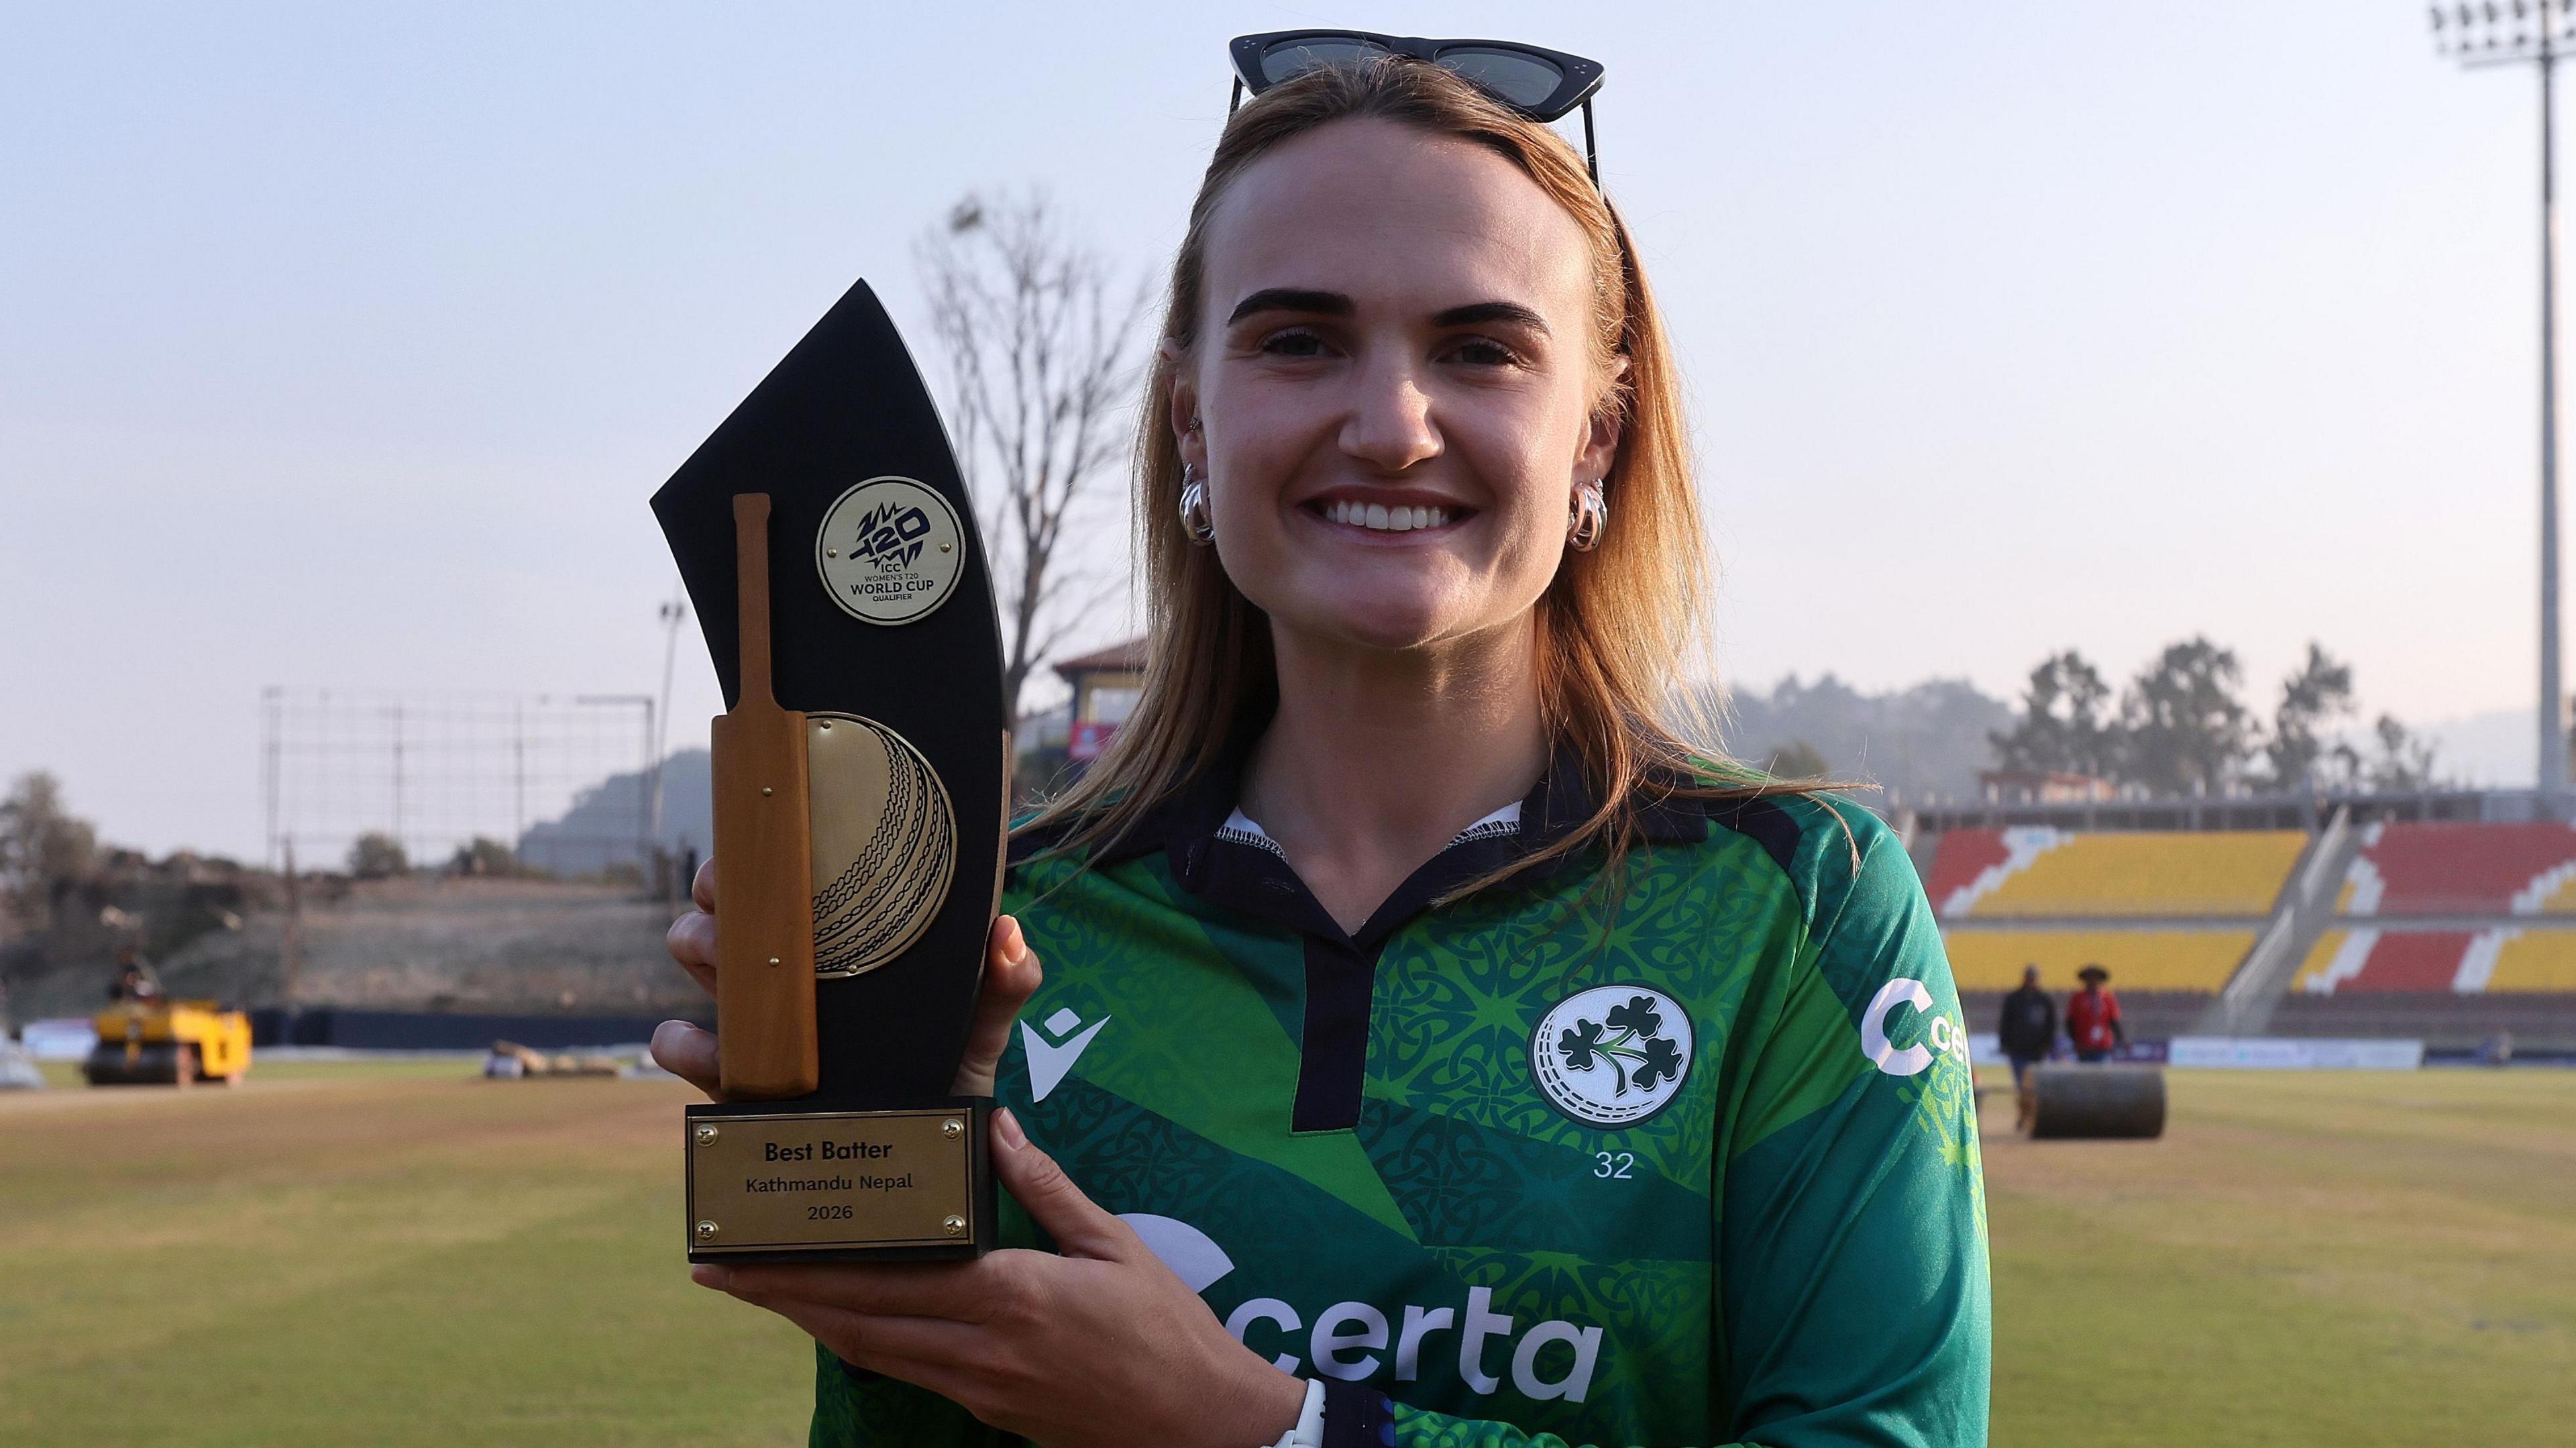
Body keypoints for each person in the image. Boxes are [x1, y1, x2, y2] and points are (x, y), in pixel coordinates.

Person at [655, 45, 1988, 1448]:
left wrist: (1262, 1424)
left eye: (1480, 348)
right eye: (1299, 340)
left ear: (1597, 434)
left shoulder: (1797, 903)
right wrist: (898, 1176)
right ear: (1191, 417)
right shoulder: (1005, 923)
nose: (1390, 425)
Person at [1996, 964, 2055, 1131]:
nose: (2031, 981)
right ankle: (2023, 1116)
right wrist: (2005, 1044)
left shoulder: (2045, 1000)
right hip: (2018, 1051)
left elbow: (2051, 1025)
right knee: (2022, 1087)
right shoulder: (2014, 999)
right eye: (2029, 977)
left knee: (2036, 1089)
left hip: (2038, 1051)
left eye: (2034, 978)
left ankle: (2033, 1117)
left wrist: (2048, 1045)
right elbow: (2005, 1023)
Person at [2065, 964, 2125, 1064]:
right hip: (2084, 1047)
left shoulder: (2107, 998)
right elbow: (2070, 1022)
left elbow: (2114, 1021)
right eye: (2089, 978)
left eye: (2095, 978)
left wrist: (2121, 1039)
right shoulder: (2078, 998)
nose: (2092, 981)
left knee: (2102, 1076)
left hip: (2102, 1047)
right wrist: (2075, 1041)